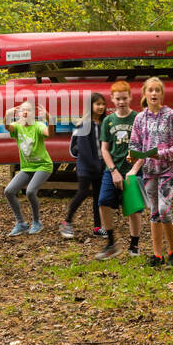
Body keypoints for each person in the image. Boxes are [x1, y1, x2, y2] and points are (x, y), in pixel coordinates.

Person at [128, 77, 173, 268]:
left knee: (164, 210)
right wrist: (133, 160)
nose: (154, 93)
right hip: (148, 172)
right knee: (154, 212)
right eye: (150, 90)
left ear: (162, 94)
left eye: (157, 90)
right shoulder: (139, 118)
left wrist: (162, 154)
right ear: (144, 94)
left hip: (168, 170)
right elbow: (134, 145)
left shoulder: (171, 116)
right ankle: (157, 256)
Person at [94, 80, 144, 259]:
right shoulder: (108, 121)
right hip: (113, 168)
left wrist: (135, 168)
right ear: (112, 100)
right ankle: (111, 244)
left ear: (130, 97)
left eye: (124, 98)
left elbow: (144, 148)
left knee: (133, 209)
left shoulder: (138, 118)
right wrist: (113, 171)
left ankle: (134, 245)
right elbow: (105, 149)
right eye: (118, 99)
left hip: (133, 169)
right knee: (103, 202)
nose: (121, 102)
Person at [2, 99, 53, 235]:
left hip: (43, 165)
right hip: (27, 167)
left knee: (30, 191)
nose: (25, 112)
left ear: (33, 113)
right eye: (23, 109)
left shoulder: (38, 126)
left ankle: (37, 222)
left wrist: (50, 119)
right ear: (18, 113)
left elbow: (50, 134)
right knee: (9, 191)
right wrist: (7, 115)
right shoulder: (17, 126)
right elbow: (7, 127)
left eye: (29, 110)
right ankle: (21, 224)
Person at [62, 92, 108, 239]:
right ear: (91, 106)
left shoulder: (104, 123)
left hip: (100, 166)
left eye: (102, 104)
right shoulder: (83, 124)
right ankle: (66, 222)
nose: (101, 107)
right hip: (86, 167)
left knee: (98, 198)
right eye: (97, 104)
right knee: (82, 193)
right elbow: (81, 149)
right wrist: (92, 163)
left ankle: (97, 227)